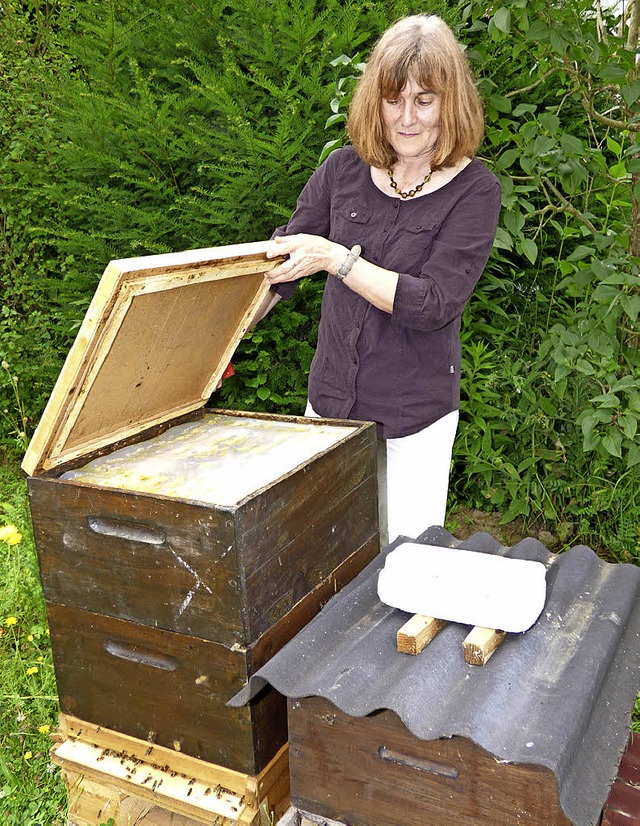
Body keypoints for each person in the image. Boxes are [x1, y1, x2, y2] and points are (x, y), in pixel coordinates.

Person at [253, 13, 501, 545]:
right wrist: (218, 328)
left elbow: (433, 302)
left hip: (413, 418)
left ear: (450, 103)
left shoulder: (476, 191)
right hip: (329, 407)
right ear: (375, 102)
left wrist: (339, 260)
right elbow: (285, 266)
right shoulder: (342, 171)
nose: (407, 118)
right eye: (394, 100)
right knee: (323, 553)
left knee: (407, 562)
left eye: (424, 100)